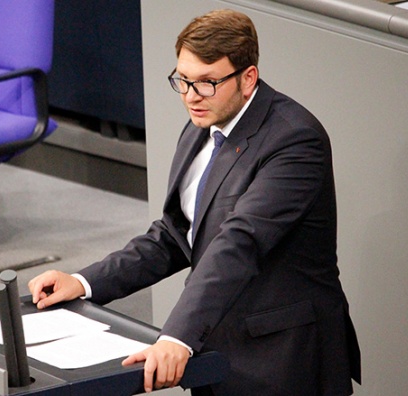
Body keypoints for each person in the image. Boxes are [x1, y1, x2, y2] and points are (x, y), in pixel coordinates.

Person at [28, 9, 361, 395]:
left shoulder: (295, 140)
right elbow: (174, 235)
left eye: (206, 82)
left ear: (248, 78)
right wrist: (85, 282)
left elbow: (239, 242)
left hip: (284, 357)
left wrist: (177, 337)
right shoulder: (202, 124)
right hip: (217, 343)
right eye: (183, 80)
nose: (190, 96)